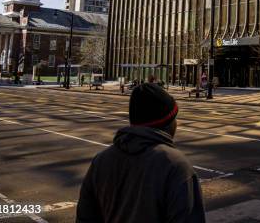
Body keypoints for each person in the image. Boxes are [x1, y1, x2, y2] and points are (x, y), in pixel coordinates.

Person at [76, 83, 206, 223]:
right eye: (175, 118)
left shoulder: (100, 161)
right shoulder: (175, 166)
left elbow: (85, 217)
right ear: (167, 122)